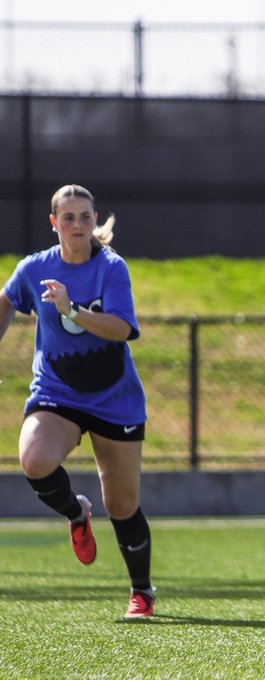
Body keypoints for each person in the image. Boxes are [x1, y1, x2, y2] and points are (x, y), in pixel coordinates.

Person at [0, 184, 156, 619]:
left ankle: (141, 591)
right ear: (54, 223)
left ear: (93, 222)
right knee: (33, 459)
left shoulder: (111, 268)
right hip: (57, 392)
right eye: (67, 218)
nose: (77, 225)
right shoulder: (34, 268)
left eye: (84, 217)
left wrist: (72, 311)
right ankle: (75, 512)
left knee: (122, 505)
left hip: (114, 397)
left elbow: (122, 329)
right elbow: (7, 300)